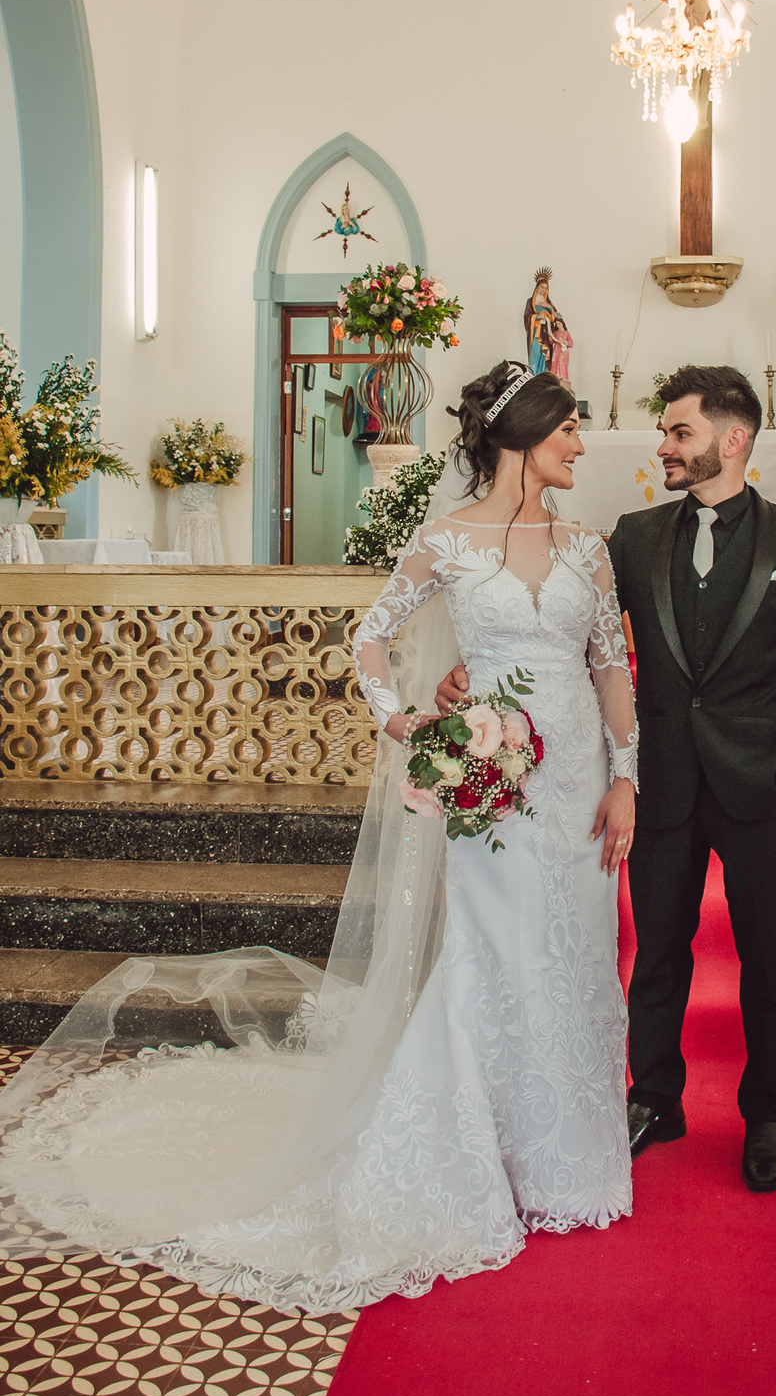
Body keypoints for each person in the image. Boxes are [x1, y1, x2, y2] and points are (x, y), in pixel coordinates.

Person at [0, 362, 637, 1312]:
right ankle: (478, 1152)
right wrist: (409, 725)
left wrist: (626, 778)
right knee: (491, 960)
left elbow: (611, 663)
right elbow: (372, 636)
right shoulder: (446, 542)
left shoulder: (589, 547)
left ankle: (569, 1160)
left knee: (576, 955)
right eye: (570, 429)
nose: (583, 443)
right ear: (524, 438)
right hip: (489, 784)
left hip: (578, 778)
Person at [440, 364, 776, 1195]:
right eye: (663, 431)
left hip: (758, 784)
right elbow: (558, 619)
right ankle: (656, 1096)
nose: (662, 445)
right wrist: (472, 665)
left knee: (767, 954)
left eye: (679, 432)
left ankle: (767, 1112)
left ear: (733, 441)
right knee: (658, 950)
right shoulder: (629, 535)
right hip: (658, 779)